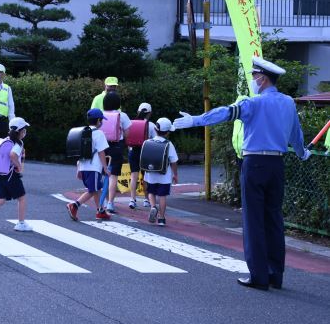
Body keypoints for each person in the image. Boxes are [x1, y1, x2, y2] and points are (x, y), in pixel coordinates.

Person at [174, 56, 311, 291]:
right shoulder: (288, 102)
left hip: (254, 162)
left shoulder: (253, 103)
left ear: (263, 78)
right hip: (277, 165)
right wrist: (303, 153)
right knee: (274, 219)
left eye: (254, 76)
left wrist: (194, 121)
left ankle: (258, 276)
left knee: (254, 220)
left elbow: (225, 113)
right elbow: (296, 136)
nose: (253, 80)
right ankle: (275, 274)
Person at [66, 109, 111, 222]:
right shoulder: (99, 134)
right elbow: (101, 152)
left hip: (84, 166)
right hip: (94, 167)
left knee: (96, 188)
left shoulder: (83, 132)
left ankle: (100, 210)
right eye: (101, 120)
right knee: (92, 190)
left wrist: (78, 168)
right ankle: (75, 205)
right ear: (99, 121)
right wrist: (105, 168)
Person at [143, 118, 178, 227]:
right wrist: (175, 174)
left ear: (155, 129)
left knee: (151, 192)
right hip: (164, 175)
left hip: (150, 173)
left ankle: (153, 206)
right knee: (162, 196)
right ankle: (162, 218)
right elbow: (174, 161)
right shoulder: (169, 144)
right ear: (167, 132)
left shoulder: (147, 142)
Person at [101, 91, 131, 213]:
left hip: (103, 147)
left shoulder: (101, 114)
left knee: (104, 174)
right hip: (116, 147)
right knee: (113, 176)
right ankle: (110, 203)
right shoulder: (122, 115)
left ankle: (104, 199)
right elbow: (127, 133)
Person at [128, 102, 157, 210]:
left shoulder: (131, 123)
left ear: (138, 112)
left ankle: (132, 199)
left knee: (133, 176)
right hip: (145, 152)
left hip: (133, 151)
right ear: (150, 113)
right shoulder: (151, 125)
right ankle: (146, 199)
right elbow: (155, 141)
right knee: (146, 177)